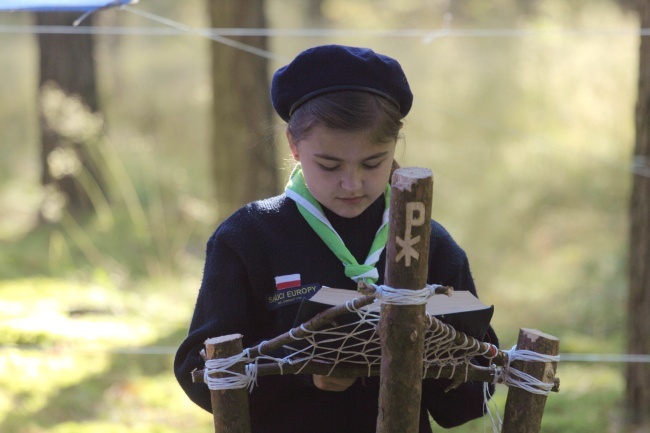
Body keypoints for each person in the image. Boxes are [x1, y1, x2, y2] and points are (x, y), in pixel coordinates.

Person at [174, 44, 499, 433]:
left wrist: (426, 356)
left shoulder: (427, 240)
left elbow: (468, 400)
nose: (352, 183)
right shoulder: (248, 237)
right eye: (329, 165)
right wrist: (305, 371)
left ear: (395, 146)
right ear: (294, 147)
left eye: (373, 163)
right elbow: (199, 369)